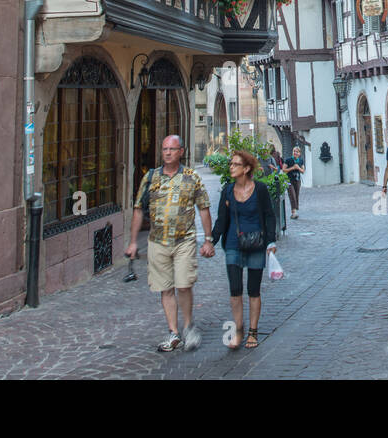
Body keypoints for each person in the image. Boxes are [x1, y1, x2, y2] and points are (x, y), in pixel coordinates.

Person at [125, 134, 215, 352]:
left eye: (172, 149)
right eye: (164, 149)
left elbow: (203, 208)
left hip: (184, 239)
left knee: (183, 284)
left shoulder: (191, 177)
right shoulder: (151, 177)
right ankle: (174, 332)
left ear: (181, 152)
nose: (167, 153)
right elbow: (138, 208)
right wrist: (133, 242)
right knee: (165, 288)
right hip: (157, 241)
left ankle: (188, 326)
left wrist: (209, 239)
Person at [209, 148, 277, 349]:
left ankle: (253, 332)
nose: (231, 167)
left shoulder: (260, 190)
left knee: (253, 290)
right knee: (235, 289)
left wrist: (271, 241)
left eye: (235, 164)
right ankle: (238, 330)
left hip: (256, 243)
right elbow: (222, 220)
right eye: (231, 164)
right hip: (233, 244)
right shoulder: (228, 190)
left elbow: (269, 216)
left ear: (246, 168)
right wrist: (210, 241)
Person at [282, 145, 306, 218]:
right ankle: (293, 213)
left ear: (299, 153)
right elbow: (283, 169)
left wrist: (298, 168)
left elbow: (303, 171)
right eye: (294, 151)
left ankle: (295, 210)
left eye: (297, 152)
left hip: (297, 180)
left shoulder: (301, 160)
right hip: (289, 180)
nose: (295, 153)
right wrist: (292, 168)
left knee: (296, 195)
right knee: (292, 195)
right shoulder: (288, 160)